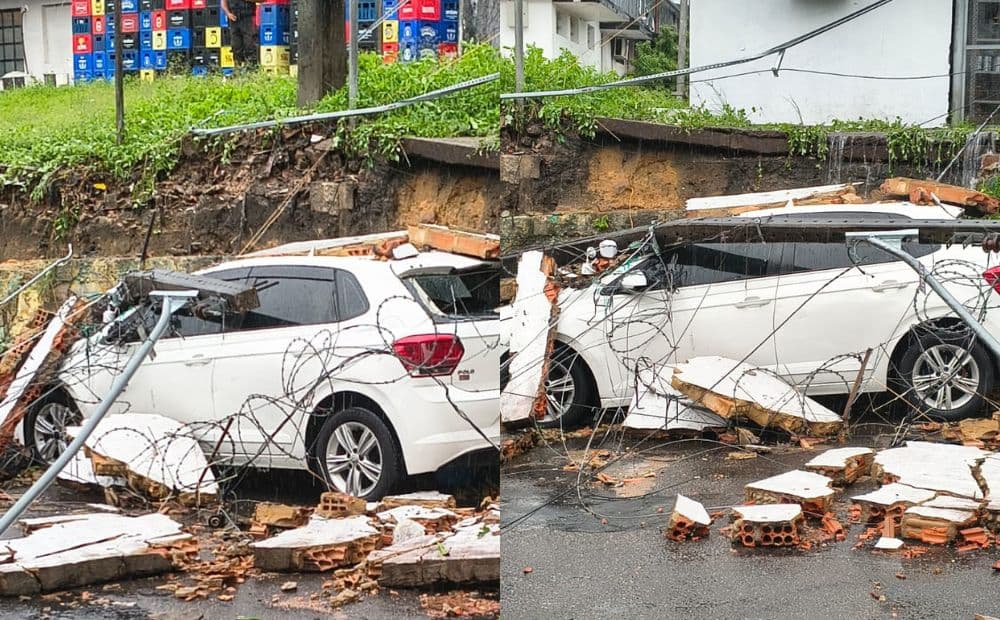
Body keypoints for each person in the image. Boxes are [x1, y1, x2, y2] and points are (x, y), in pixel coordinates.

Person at [221, 0, 258, 66]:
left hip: (248, 18)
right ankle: (237, 70)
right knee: (236, 47)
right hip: (234, 19)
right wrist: (228, 13)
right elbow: (223, 2)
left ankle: (251, 69)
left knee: (250, 46)